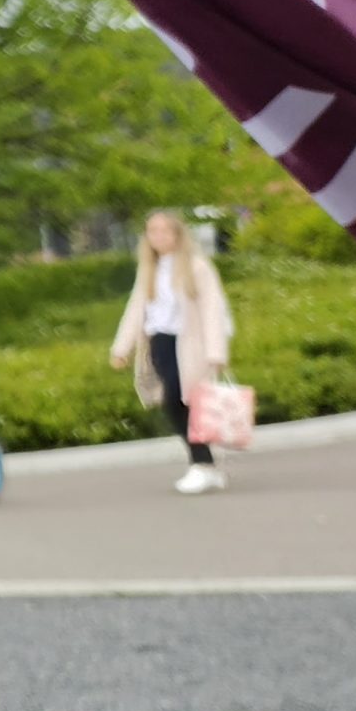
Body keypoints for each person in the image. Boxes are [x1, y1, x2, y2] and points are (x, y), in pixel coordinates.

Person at [110, 208, 234, 495]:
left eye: (165, 230)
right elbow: (136, 310)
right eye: (152, 231)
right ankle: (205, 463)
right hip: (160, 343)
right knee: (174, 403)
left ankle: (202, 464)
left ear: (178, 234)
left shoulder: (196, 267)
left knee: (184, 402)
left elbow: (213, 309)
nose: (158, 236)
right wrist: (121, 348)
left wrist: (216, 352)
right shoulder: (149, 269)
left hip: (190, 345)